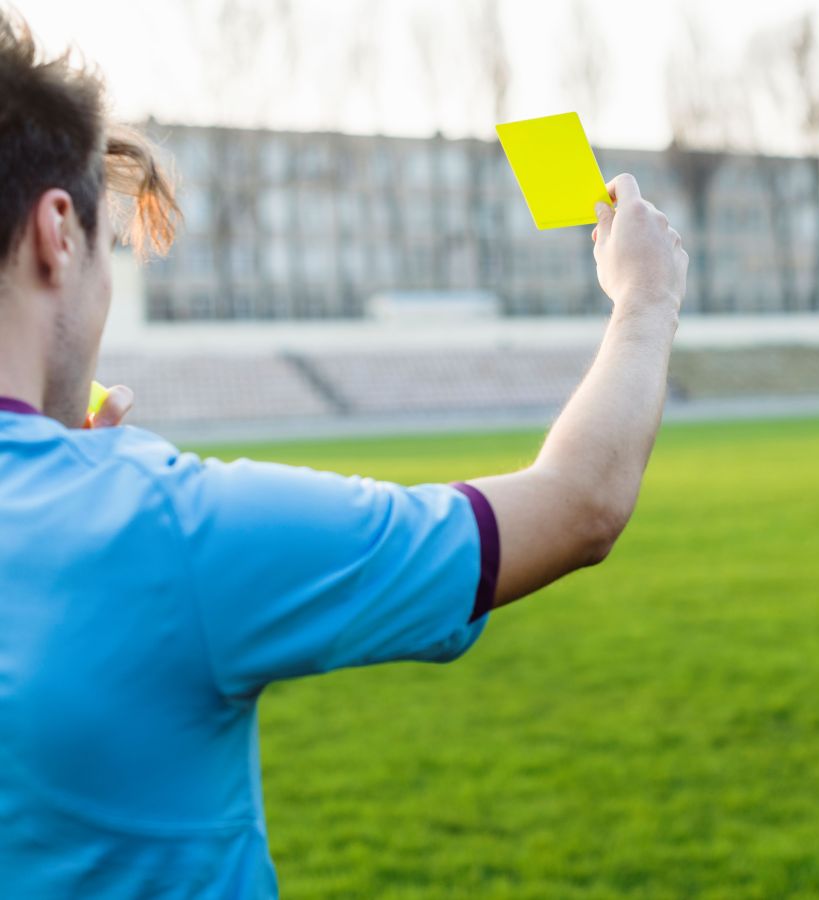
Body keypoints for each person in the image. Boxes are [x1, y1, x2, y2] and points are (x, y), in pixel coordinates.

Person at [0, 12, 687, 897]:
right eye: (109, 254)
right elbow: (577, 502)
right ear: (59, 234)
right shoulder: (166, 528)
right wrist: (647, 299)